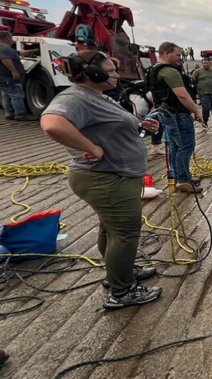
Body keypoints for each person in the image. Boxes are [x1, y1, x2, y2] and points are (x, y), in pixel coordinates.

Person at [40, 50, 162, 310]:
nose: (116, 74)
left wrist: (141, 126)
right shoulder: (75, 97)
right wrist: (91, 148)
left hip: (115, 176)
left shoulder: (97, 96)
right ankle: (122, 291)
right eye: (111, 70)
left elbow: (106, 127)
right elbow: (52, 124)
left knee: (111, 230)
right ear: (93, 74)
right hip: (107, 178)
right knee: (125, 235)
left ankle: (120, 272)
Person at [147, 41, 204, 193]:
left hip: (167, 113)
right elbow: (182, 95)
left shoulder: (154, 70)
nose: (180, 58)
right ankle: (183, 181)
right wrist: (197, 111)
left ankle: (180, 176)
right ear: (166, 53)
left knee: (175, 146)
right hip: (178, 114)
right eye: (177, 55)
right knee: (186, 146)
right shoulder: (170, 71)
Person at [0, 31, 38, 121]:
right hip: (9, 77)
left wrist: (33, 50)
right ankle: (20, 114)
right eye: (11, 38)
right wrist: (14, 72)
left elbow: (19, 53)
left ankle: (9, 113)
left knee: (6, 95)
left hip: (3, 78)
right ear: (8, 38)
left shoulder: (4, 48)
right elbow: (5, 59)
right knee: (16, 95)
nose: (12, 40)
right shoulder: (4, 48)